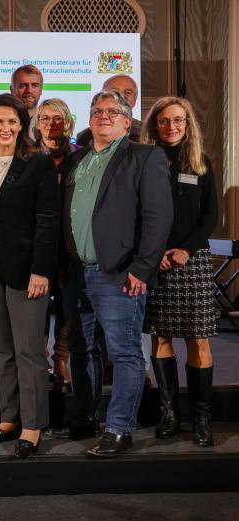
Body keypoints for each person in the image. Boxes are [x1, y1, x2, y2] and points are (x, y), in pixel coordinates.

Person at [62, 90, 173, 457]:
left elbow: (158, 217)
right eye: (97, 111)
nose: (103, 116)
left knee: (124, 354)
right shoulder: (78, 160)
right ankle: (86, 418)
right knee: (82, 350)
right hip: (76, 273)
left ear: (127, 121)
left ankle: (119, 429)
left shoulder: (144, 156)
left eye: (112, 111)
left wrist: (142, 268)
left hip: (120, 274)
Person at [0, 94, 59, 459]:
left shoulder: (38, 163)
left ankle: (32, 426)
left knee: (29, 351)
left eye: (12, 122)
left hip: (27, 272)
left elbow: (48, 220)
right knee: (1, 350)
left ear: (22, 125)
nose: (6, 128)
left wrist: (42, 270)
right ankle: (8, 418)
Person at [140, 96, 218, 447]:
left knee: (198, 339)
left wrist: (186, 249)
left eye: (178, 120)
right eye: (164, 121)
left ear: (187, 124)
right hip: (155, 260)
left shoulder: (200, 162)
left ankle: (202, 418)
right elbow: (138, 213)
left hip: (192, 260)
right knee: (161, 337)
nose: (171, 126)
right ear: (154, 125)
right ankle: (169, 414)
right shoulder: (143, 161)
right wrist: (153, 252)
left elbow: (210, 216)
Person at [33, 98, 82, 391]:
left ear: (68, 122)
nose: (51, 124)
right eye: (45, 118)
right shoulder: (26, 155)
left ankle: (62, 361)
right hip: (36, 243)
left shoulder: (82, 155)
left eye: (58, 118)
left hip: (70, 244)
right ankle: (40, 359)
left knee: (67, 307)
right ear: (37, 123)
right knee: (36, 306)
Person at [76, 74, 142, 145]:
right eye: (115, 92)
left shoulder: (147, 131)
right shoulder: (85, 137)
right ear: (103, 96)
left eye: (127, 93)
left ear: (135, 99)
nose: (121, 96)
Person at [10, 64, 44, 134]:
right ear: (12, 90)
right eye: (23, 86)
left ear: (41, 90)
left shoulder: (50, 126)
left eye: (34, 85)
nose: (29, 90)